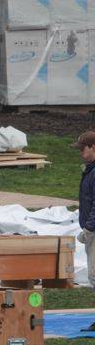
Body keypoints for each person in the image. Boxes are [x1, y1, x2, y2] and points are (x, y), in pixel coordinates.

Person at [74, 132, 95, 331]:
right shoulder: (91, 170)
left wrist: (89, 228)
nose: (80, 152)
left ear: (93, 147)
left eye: (83, 148)